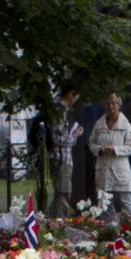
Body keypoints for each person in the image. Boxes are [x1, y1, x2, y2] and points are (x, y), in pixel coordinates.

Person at [87, 93, 131, 223]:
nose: (111, 106)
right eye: (108, 103)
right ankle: (109, 230)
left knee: (125, 200)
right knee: (104, 201)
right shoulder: (99, 124)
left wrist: (115, 149)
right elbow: (91, 143)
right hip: (103, 166)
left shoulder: (126, 125)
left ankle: (129, 228)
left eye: (114, 103)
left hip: (120, 167)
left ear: (119, 105)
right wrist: (100, 149)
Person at [50, 87, 85, 217]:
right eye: (76, 96)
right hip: (62, 159)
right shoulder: (60, 110)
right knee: (63, 193)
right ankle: (59, 223)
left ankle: (54, 219)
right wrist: (75, 136)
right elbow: (57, 137)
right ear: (70, 94)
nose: (77, 99)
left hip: (61, 158)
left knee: (61, 192)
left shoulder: (59, 109)